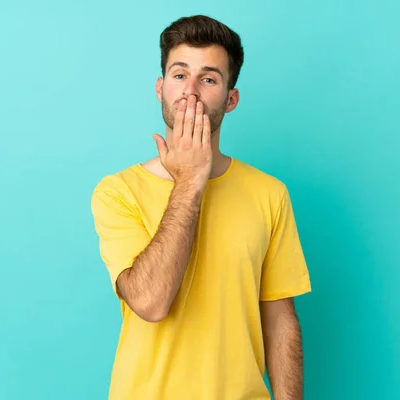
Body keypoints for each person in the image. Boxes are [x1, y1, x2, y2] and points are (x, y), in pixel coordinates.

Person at [90, 14, 312, 400]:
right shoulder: (117, 192)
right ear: (160, 88)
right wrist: (190, 180)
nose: (190, 91)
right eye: (179, 75)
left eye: (208, 79)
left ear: (231, 99)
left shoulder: (270, 193)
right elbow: (150, 301)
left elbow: (279, 321)